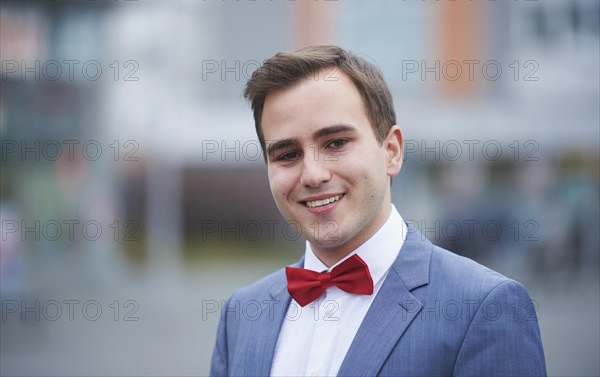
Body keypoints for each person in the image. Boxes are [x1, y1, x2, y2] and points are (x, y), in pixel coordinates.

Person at [210, 45, 546, 376]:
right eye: (287, 154)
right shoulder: (240, 315)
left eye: (336, 143)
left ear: (392, 152)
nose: (312, 174)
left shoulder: (484, 308)